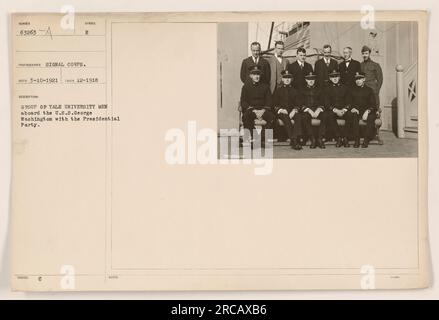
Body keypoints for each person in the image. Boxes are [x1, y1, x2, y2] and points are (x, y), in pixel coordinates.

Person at [240, 66, 275, 144]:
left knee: (272, 118)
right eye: (254, 74)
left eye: (258, 74)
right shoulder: (246, 87)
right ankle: (254, 136)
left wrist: (263, 110)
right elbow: (243, 101)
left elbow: (269, 101)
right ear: (250, 76)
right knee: (245, 117)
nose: (257, 76)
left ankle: (259, 138)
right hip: (252, 110)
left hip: (263, 109)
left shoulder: (265, 87)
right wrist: (253, 110)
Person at [272, 70, 303, 150]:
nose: (287, 79)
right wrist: (281, 110)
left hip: (292, 111)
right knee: (286, 117)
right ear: (282, 79)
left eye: (289, 78)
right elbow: (274, 104)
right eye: (285, 78)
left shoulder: (295, 91)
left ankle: (295, 138)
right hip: (282, 112)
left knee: (298, 116)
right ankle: (293, 140)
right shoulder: (278, 91)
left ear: (291, 79)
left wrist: (294, 110)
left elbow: (298, 103)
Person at [346, 72, 377, 148]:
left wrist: (368, 111)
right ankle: (357, 139)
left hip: (367, 111)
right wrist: (352, 108)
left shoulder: (369, 90)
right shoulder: (352, 90)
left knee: (371, 117)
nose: (358, 81)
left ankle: (366, 140)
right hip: (356, 111)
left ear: (364, 79)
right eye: (356, 79)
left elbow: (373, 104)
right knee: (352, 115)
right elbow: (348, 102)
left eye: (360, 79)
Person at [324, 70, 352, 148]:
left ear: (339, 77)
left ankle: (345, 138)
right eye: (332, 77)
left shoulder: (345, 88)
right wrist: (336, 110)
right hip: (333, 111)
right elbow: (326, 103)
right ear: (330, 78)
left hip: (343, 110)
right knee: (330, 115)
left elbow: (349, 102)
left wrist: (344, 110)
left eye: (336, 76)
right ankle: (338, 138)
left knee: (350, 115)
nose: (335, 78)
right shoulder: (327, 89)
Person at [299, 72, 327, 149]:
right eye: (309, 79)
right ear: (306, 80)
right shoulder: (302, 90)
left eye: (312, 79)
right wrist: (309, 110)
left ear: (315, 80)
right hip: (308, 111)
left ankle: (320, 139)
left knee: (325, 116)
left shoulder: (320, 89)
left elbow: (323, 101)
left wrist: (319, 109)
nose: (311, 81)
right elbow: (300, 103)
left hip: (318, 109)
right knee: (304, 117)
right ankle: (312, 139)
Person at [360, 45, 383, 110]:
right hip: (363, 89)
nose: (365, 55)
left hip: (372, 88)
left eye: (366, 53)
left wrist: (376, 89)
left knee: (374, 107)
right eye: (363, 53)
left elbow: (380, 79)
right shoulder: (360, 65)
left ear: (369, 54)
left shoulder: (375, 65)